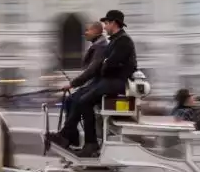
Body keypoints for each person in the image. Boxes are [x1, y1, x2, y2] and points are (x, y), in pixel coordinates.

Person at [49, 9, 137, 157]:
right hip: (109, 80)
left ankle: (90, 143)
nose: (105, 27)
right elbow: (105, 64)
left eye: (107, 23)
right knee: (79, 99)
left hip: (117, 82)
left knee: (83, 101)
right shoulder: (115, 41)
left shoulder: (123, 41)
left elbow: (110, 65)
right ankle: (69, 136)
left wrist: (105, 64)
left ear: (114, 23)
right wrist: (105, 64)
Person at [59, 22, 109, 145]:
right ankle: (72, 136)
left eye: (88, 30)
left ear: (97, 31)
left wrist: (73, 84)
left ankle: (71, 135)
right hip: (94, 84)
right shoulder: (97, 46)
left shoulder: (101, 47)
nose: (85, 33)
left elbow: (92, 70)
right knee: (70, 100)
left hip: (98, 85)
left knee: (79, 100)